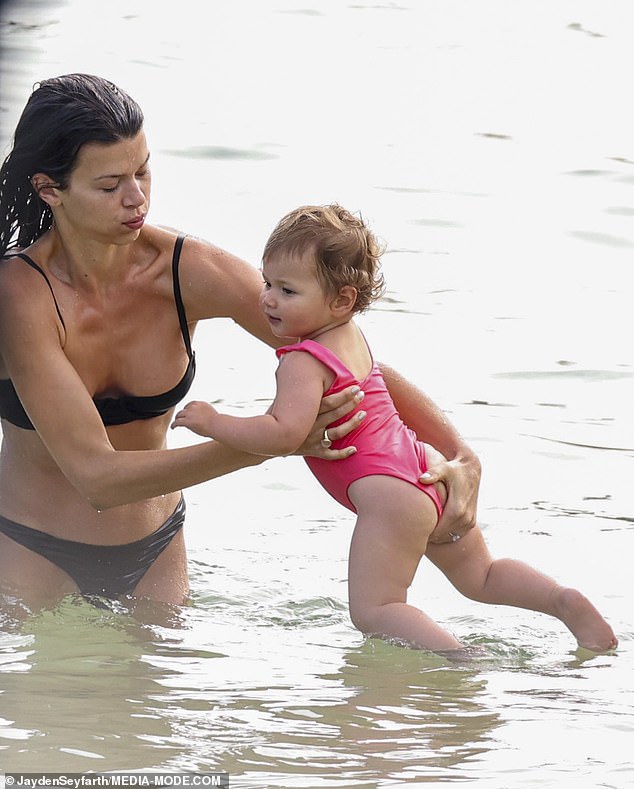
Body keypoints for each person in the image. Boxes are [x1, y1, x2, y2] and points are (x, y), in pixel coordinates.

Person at [0, 74, 481, 612]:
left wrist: (461, 455)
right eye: (110, 185)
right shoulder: (20, 295)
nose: (137, 198)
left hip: (156, 550)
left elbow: (350, 367)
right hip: (30, 550)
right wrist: (268, 443)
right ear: (50, 189)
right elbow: (96, 477)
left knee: (152, 700)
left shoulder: (186, 270)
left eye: (143, 171)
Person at [172, 204, 618, 653]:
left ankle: (460, 660)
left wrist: (216, 422)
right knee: (480, 575)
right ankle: (562, 600)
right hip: (428, 472)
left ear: (342, 300)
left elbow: (283, 434)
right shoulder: (351, 341)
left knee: (376, 610)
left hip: (389, 496)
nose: (267, 298)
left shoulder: (303, 361)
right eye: (267, 282)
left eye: (287, 290)